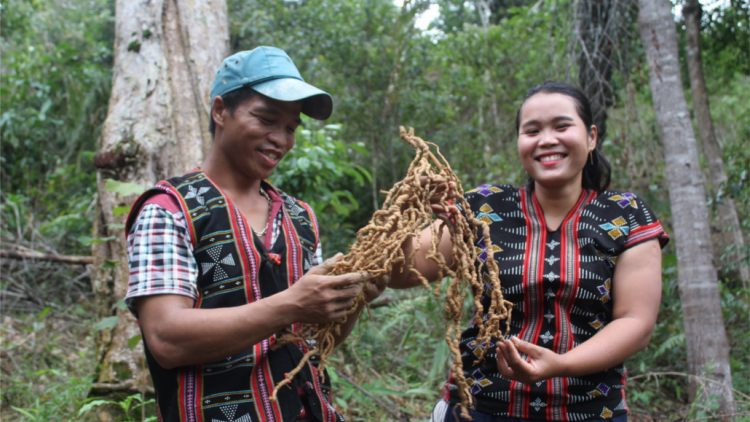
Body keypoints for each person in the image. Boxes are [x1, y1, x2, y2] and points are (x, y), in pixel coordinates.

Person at [125, 46, 385, 422]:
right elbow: (166, 338)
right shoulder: (169, 210)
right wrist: (291, 303)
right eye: (266, 119)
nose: (281, 139)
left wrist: (352, 301)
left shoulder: (299, 217)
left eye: (291, 128)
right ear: (220, 112)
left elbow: (309, 341)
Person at [389, 81, 669, 421]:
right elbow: (399, 272)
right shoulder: (483, 206)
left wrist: (561, 365)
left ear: (591, 136)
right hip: (478, 410)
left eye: (562, 126)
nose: (547, 139)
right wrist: (407, 210)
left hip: (591, 412)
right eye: (532, 130)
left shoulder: (626, 213)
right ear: (520, 142)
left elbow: (636, 323)